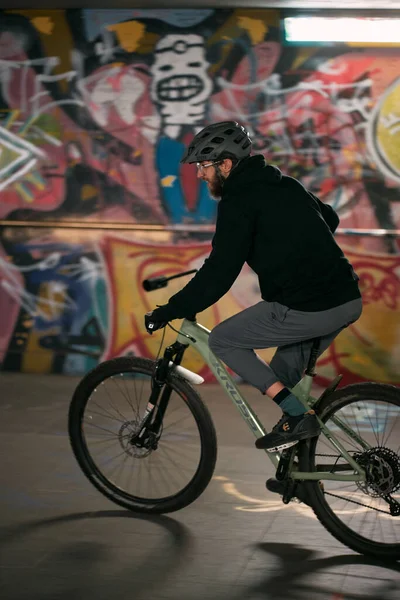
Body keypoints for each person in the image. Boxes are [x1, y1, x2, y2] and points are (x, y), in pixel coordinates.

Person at [144, 120, 362, 453]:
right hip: (346, 297)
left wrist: (173, 308)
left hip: (308, 307)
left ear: (226, 164)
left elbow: (220, 272)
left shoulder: (237, 201)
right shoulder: (285, 184)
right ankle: (301, 469)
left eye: (204, 165)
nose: (200, 174)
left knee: (224, 340)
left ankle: (297, 417)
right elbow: (329, 218)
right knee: (281, 373)